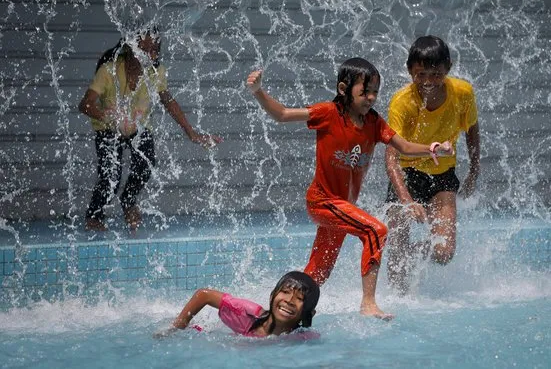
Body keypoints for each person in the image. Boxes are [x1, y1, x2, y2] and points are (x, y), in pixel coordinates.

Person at [246, 58, 453, 319]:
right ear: (344, 89)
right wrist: (258, 92)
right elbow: (283, 114)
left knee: (317, 273)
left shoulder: (374, 123)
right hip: (322, 201)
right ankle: (368, 303)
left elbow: (404, 146)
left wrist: (431, 148)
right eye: (364, 92)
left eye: (375, 92)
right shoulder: (328, 113)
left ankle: (275, 316)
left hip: (342, 209)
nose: (371, 98)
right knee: (375, 230)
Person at [78, 27, 222, 232]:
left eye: (155, 49)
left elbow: (169, 102)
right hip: (109, 128)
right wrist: (110, 118)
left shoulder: (156, 73)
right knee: (111, 175)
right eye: (144, 48)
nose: (150, 54)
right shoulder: (109, 71)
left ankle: (128, 201)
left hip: (138, 126)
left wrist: (192, 133)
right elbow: (85, 105)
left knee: (145, 165)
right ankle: (94, 216)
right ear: (130, 47)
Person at [385, 35, 480, 294]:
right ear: (410, 71)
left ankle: (413, 255)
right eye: (420, 74)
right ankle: (398, 298)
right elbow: (391, 158)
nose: (428, 81)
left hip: (442, 176)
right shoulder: (402, 101)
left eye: (435, 74)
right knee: (396, 253)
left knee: (444, 252)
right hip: (406, 174)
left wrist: (473, 170)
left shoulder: (463, 93)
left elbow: (472, 131)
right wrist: (406, 199)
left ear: (448, 68)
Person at [162, 271, 320, 338]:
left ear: (309, 312)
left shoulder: (304, 338)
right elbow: (205, 295)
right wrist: (176, 328)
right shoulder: (248, 315)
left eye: (299, 299)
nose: (289, 301)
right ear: (272, 295)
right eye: (285, 292)